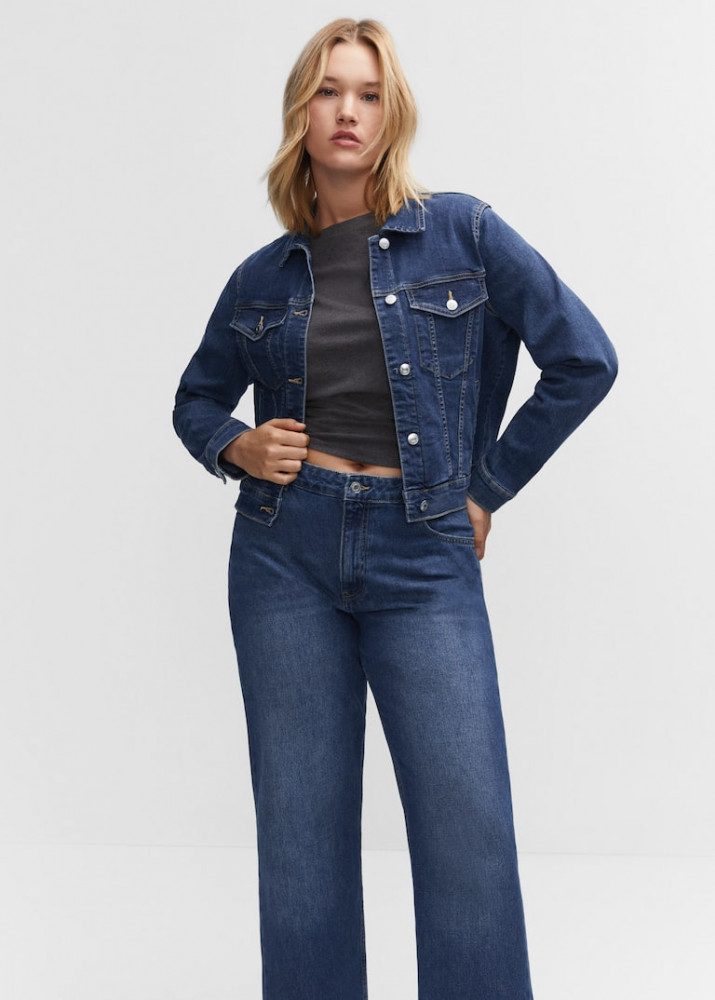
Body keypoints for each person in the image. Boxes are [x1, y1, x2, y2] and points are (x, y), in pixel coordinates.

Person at [173, 17, 617, 1000]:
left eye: (368, 94)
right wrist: (237, 445)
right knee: (300, 839)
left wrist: (486, 487)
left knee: (467, 832)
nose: (348, 111)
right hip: (282, 555)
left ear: (392, 114)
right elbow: (195, 399)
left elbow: (584, 359)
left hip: (422, 550)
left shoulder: (461, 231)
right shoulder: (262, 277)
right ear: (301, 111)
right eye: (329, 91)